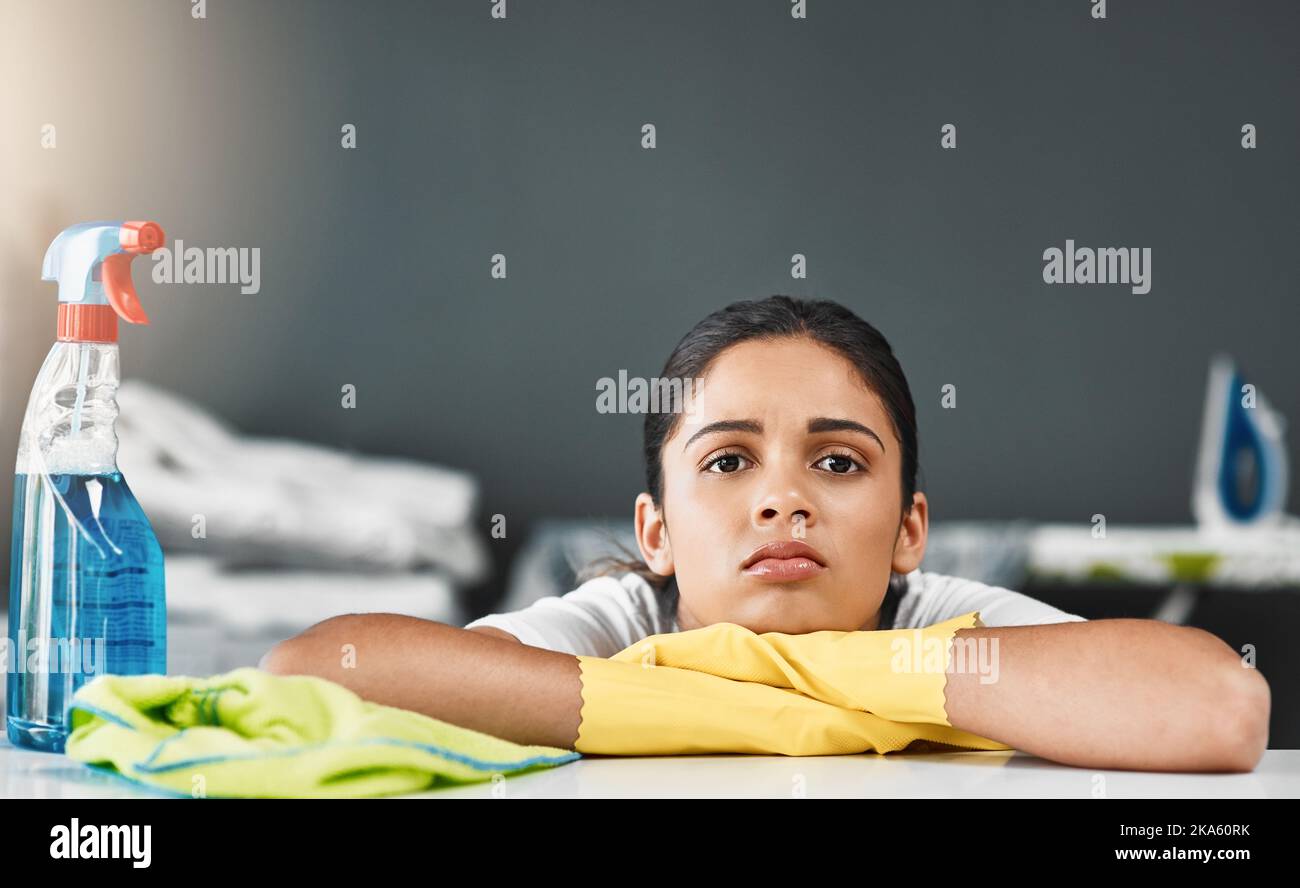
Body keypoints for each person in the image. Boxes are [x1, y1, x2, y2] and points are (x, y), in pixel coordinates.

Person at [261, 295, 1270, 771]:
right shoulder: (621, 618)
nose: (782, 501)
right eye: (728, 461)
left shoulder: (925, 615)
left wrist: (799, 675)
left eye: (837, 463)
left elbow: (1218, 708)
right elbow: (309, 672)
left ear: (909, 530)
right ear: (653, 533)